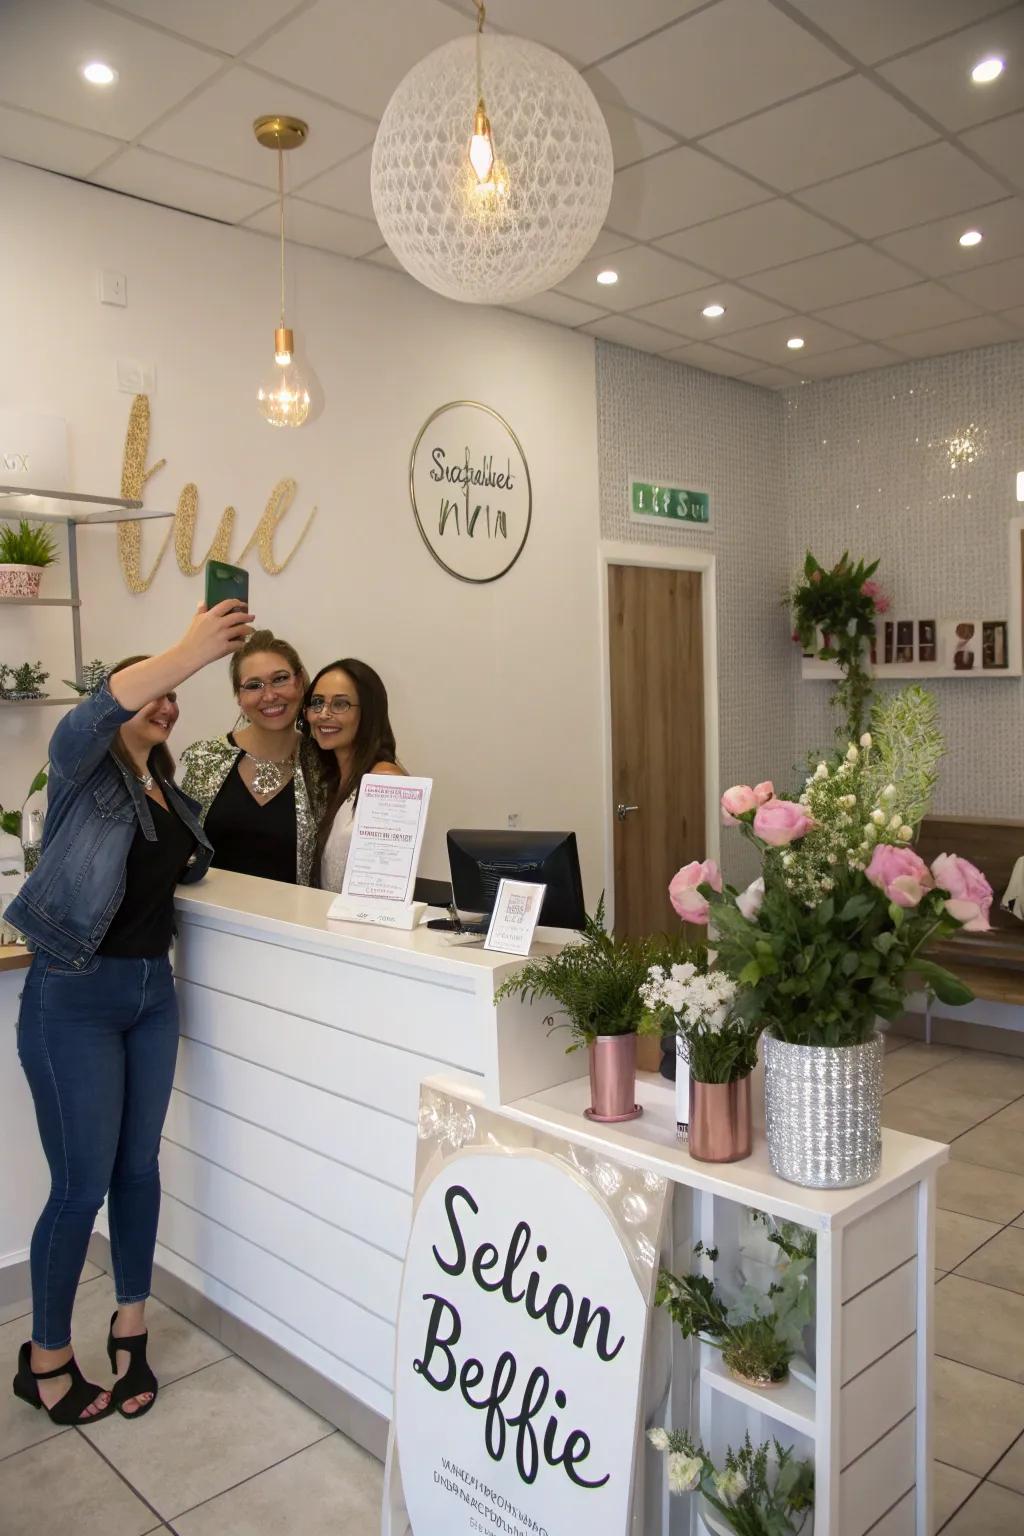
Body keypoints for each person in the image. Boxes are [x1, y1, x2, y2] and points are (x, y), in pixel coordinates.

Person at [7, 599, 254, 1427]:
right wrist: (187, 652)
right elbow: (104, 704)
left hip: (152, 993)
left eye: (177, 694)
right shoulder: (81, 767)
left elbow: (180, 876)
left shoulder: (169, 792)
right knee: (78, 1190)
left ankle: (130, 1326)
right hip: (74, 995)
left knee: (137, 1171)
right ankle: (43, 1358)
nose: (167, 702)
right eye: (156, 690)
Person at [180, 630, 321, 885]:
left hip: (295, 922)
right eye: (254, 685)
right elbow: (180, 847)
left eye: (280, 679)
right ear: (239, 697)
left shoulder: (324, 765)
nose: (269, 695)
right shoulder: (206, 759)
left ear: (300, 683)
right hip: (208, 922)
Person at [303, 658, 405, 890]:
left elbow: (386, 887)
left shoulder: (387, 783)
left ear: (369, 713)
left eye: (340, 704)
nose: (323, 714)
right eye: (317, 703)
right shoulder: (330, 779)